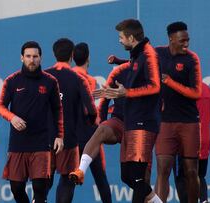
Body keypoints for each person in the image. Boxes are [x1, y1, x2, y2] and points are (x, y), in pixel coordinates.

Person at [97, 19, 162, 203]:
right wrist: (118, 62)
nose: (119, 41)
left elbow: (155, 86)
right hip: (133, 122)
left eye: (121, 37)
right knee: (127, 176)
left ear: (131, 37)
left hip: (144, 122)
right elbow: (138, 70)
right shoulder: (137, 54)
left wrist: (127, 92)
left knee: (136, 177)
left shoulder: (149, 54)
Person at [0, 41, 64, 203]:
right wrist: (12, 117)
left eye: (35, 56)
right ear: (22, 58)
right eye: (28, 56)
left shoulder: (50, 81)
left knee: (40, 190)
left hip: (41, 143)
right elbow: (0, 105)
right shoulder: (12, 81)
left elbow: (58, 110)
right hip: (18, 143)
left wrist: (59, 136)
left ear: (41, 58)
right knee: (16, 188)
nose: (31, 60)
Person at [154, 21, 203, 203]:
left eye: (188, 40)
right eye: (182, 40)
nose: (186, 44)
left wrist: (170, 82)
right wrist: (118, 61)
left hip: (189, 122)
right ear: (171, 39)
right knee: (163, 169)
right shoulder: (158, 53)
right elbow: (137, 60)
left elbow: (196, 93)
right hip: (165, 122)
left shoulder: (192, 59)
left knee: (191, 171)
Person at [45, 38, 97, 203]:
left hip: (45, 137)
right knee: (67, 180)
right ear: (72, 55)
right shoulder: (77, 78)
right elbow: (91, 110)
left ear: (54, 53)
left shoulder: (43, 76)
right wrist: (85, 124)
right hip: (69, 138)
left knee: (44, 180)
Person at [71, 42, 112, 203]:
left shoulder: (68, 75)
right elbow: (88, 109)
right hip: (88, 133)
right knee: (100, 176)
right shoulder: (89, 80)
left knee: (69, 178)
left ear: (73, 58)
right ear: (88, 57)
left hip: (71, 134)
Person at [173, 82, 210, 203]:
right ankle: (203, 200)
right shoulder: (207, 90)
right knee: (200, 176)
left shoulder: (181, 90)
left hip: (185, 142)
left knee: (181, 177)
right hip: (204, 142)